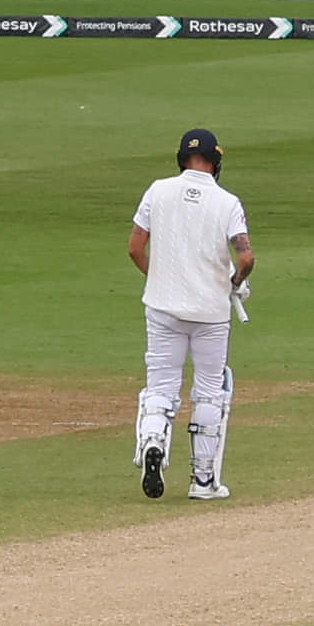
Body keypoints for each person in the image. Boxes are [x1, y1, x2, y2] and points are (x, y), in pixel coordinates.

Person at [126, 125, 252, 501]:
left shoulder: (157, 190)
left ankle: (154, 442)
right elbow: (246, 257)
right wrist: (234, 282)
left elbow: (135, 248)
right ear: (215, 162)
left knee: (160, 386)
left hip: (162, 306)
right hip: (210, 311)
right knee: (210, 391)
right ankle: (203, 481)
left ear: (182, 159)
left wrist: (161, 277)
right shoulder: (227, 202)